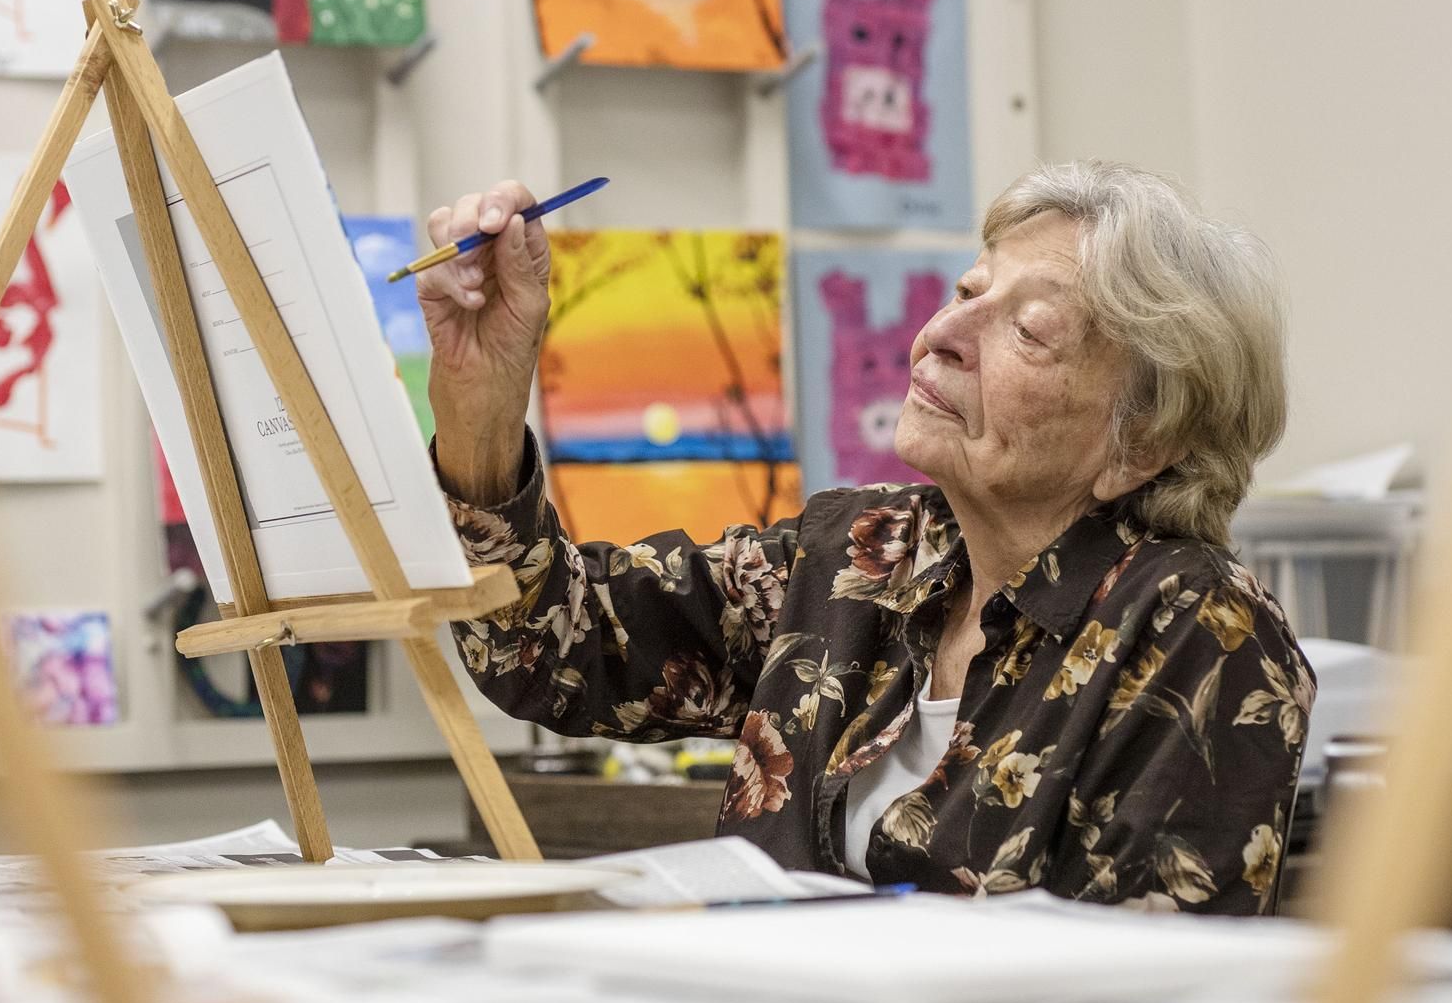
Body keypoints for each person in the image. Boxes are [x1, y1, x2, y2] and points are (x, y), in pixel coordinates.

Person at [421, 161, 1312, 913]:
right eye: (969, 290)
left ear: (1143, 443)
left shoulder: (1196, 629)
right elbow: (548, 646)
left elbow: (1133, 999)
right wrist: (481, 401)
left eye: (1030, 330)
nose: (942, 335)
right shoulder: (863, 552)